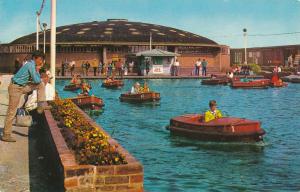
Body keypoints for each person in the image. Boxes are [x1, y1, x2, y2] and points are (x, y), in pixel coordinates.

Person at [1, 50, 50, 142]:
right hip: (15, 88)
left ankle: (41, 105)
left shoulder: (32, 65)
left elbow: (37, 81)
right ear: (35, 58)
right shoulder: (30, 65)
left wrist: (38, 72)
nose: (41, 62)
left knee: (41, 85)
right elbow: (36, 79)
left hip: (21, 87)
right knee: (12, 112)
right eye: (41, 59)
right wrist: (38, 71)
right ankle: (6, 135)